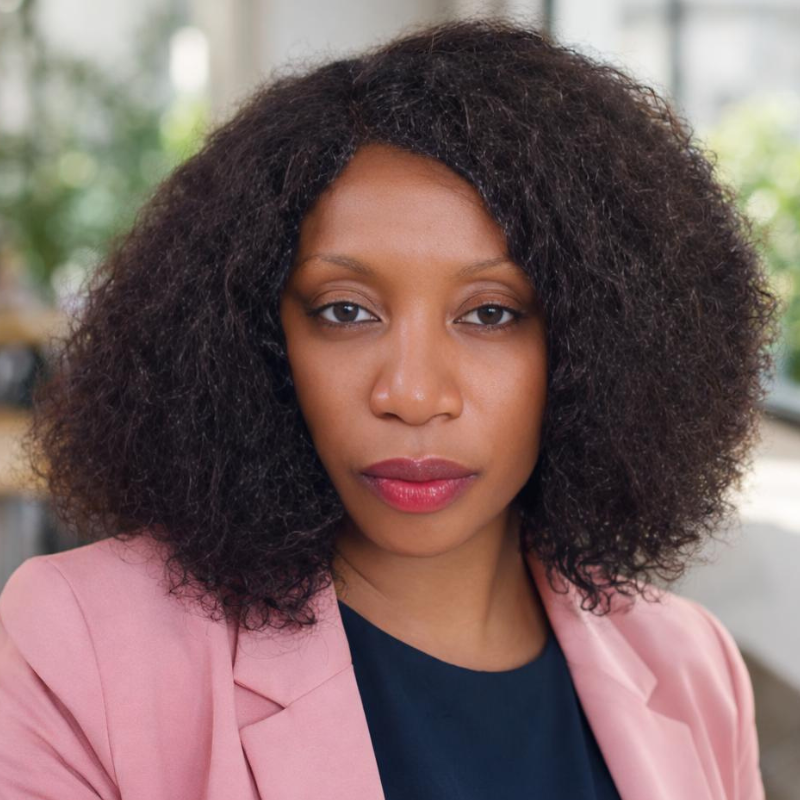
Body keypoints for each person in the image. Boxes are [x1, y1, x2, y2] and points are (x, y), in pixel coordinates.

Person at [0, 16, 779, 800]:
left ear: (597, 345)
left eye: (491, 313)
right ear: (257, 337)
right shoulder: (80, 645)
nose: (410, 395)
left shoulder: (694, 668)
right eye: (345, 311)